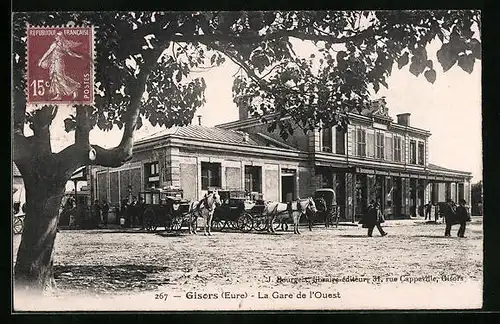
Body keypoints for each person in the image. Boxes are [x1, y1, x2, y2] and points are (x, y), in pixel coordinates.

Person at [37, 31, 84, 100]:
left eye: (57, 36)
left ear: (60, 37)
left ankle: (73, 90)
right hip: (54, 63)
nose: (56, 37)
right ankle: (59, 95)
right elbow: (48, 53)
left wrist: (79, 56)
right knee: (55, 77)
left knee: (60, 77)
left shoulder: (62, 45)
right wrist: (41, 60)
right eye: (56, 36)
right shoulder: (56, 44)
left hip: (59, 63)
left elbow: (71, 53)